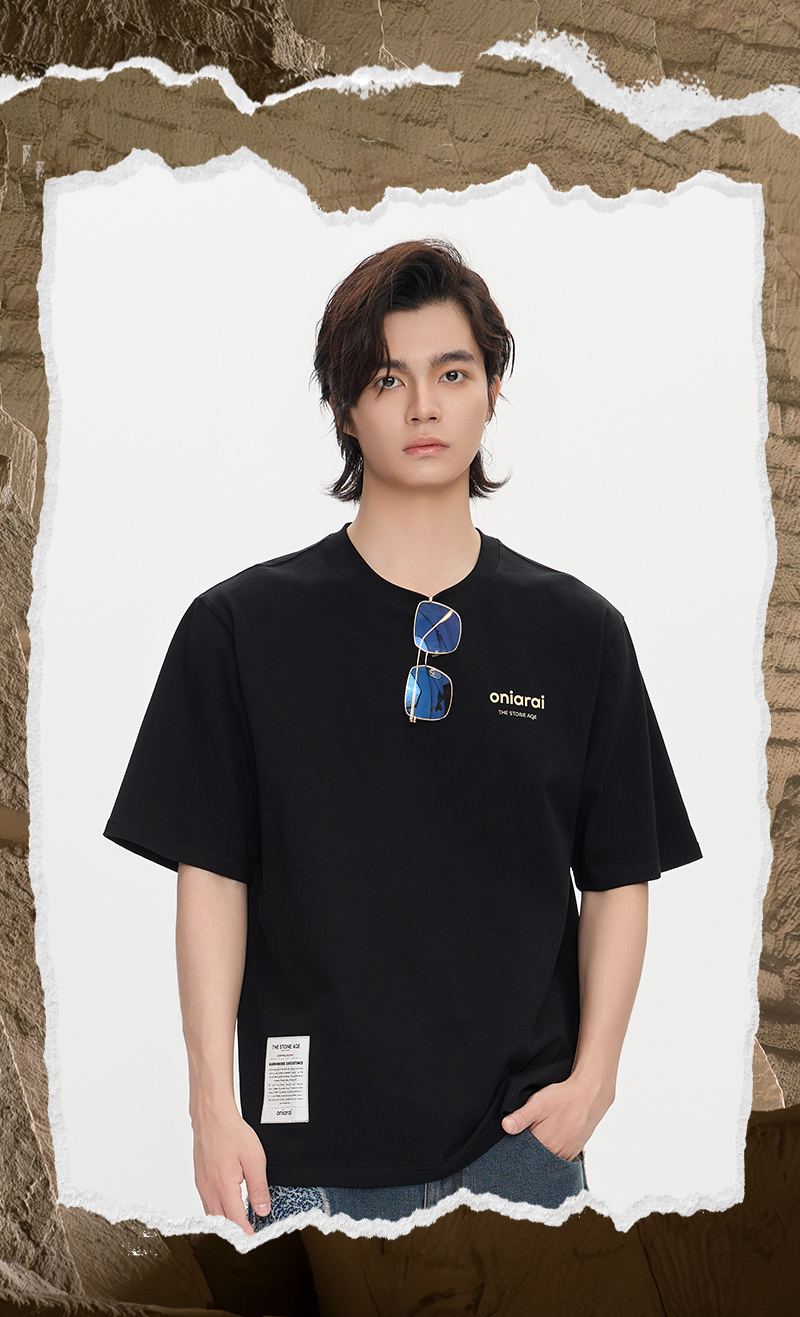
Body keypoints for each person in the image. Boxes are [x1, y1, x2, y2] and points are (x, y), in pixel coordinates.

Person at [103, 237, 702, 1232]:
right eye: (387, 379)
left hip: (520, 1150)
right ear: (344, 406)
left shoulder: (579, 634)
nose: (423, 406)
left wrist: (593, 1079)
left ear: (492, 391)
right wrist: (212, 1105)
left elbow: (617, 874)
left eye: (451, 373)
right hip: (303, 1157)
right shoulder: (241, 630)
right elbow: (211, 875)